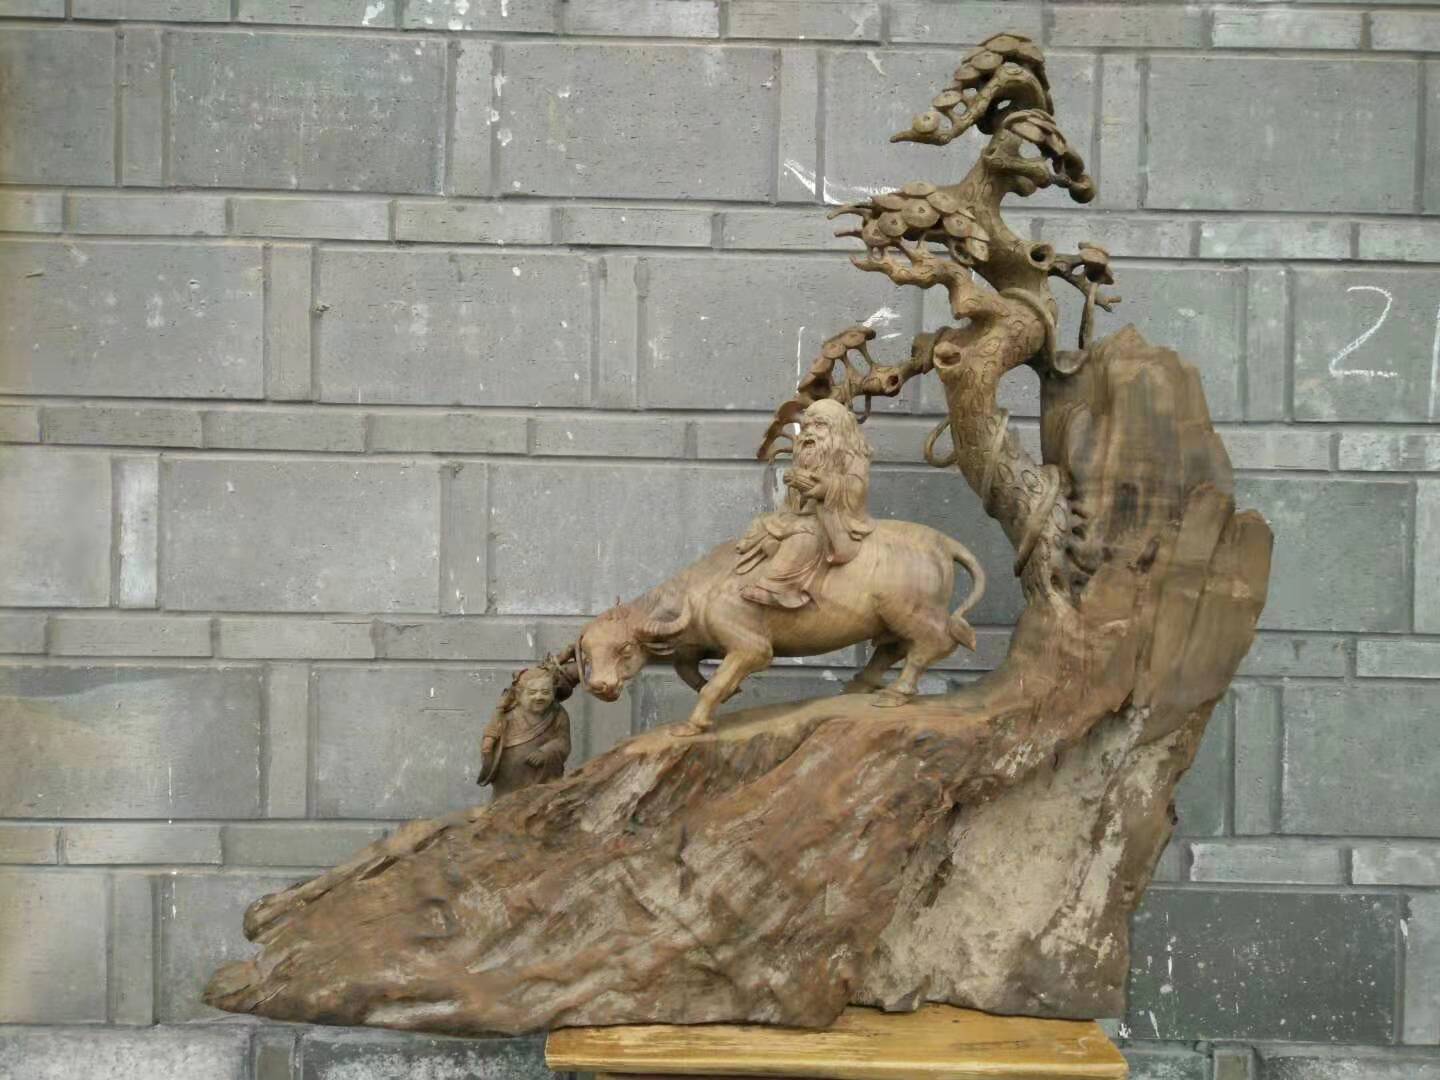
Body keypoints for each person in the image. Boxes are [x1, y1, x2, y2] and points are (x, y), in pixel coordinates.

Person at [736, 398, 874, 609]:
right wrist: (796, 485)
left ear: (839, 429)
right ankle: (776, 552)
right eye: (806, 426)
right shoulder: (808, 456)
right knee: (764, 524)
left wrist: (826, 487)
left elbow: (856, 489)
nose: (809, 432)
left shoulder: (852, 456)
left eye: (819, 425)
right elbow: (793, 501)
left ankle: (778, 588)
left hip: (833, 520)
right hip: (802, 514)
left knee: (805, 536)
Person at [478, 664, 571, 799]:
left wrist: (547, 751)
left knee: (543, 802)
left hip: (543, 778)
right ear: (519, 695)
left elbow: (564, 742)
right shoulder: (507, 717)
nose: (539, 697)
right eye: (532, 692)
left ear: (554, 693)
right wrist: (488, 751)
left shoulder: (558, 714)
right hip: (508, 782)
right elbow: (491, 745)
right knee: (507, 805)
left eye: (545, 692)